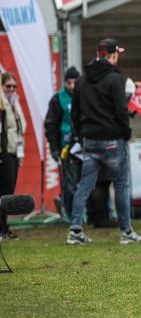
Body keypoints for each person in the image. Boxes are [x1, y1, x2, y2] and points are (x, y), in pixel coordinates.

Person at [67, 39, 141, 245]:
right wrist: (125, 133)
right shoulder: (115, 80)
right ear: (113, 55)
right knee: (121, 184)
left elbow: (74, 113)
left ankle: (75, 231)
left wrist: (81, 135)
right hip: (112, 140)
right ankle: (126, 232)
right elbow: (121, 112)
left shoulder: (82, 80)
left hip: (90, 140)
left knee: (84, 185)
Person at [45, 67, 80, 220]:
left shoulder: (86, 95)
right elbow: (51, 125)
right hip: (67, 147)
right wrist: (54, 149)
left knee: (89, 182)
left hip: (86, 145)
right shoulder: (58, 99)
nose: (72, 86)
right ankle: (73, 216)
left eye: (74, 82)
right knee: (70, 183)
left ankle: (95, 213)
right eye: (69, 82)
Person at [0, 72, 25, 238]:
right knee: (4, 191)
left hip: (15, 151)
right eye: (8, 86)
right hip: (4, 151)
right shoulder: (2, 105)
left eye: (14, 86)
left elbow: (21, 126)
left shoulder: (15, 102)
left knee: (9, 190)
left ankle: (5, 227)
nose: (11, 89)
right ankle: (1, 228)